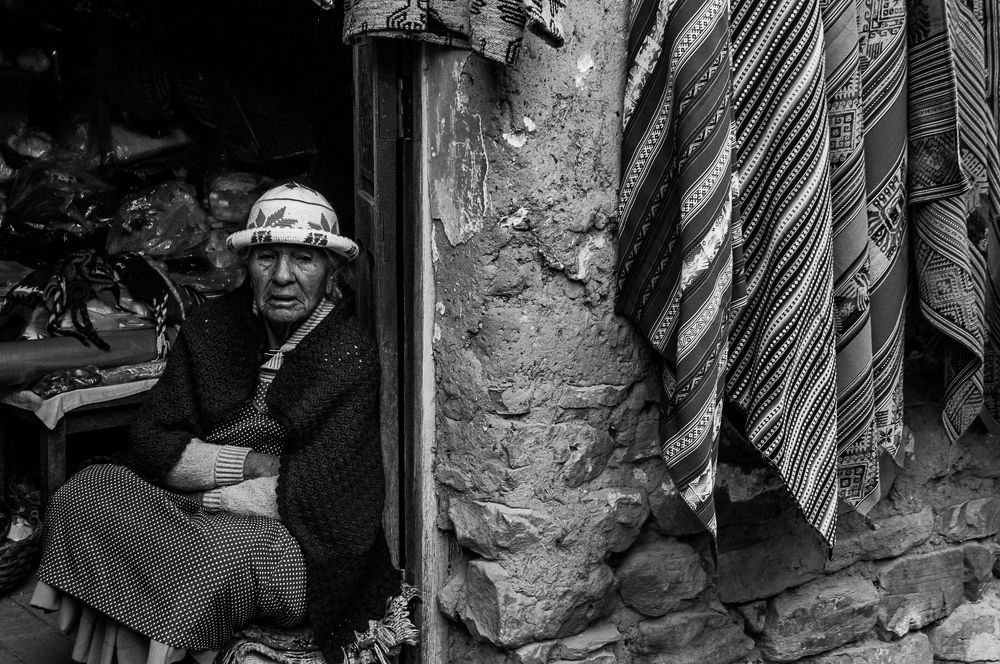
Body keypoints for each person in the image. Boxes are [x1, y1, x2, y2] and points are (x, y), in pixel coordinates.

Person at [30, 183, 414, 664]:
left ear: (331, 270)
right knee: (88, 490)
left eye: (303, 260)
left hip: (293, 540)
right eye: (266, 257)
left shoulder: (346, 354)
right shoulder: (215, 325)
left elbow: (317, 494)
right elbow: (151, 437)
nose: (282, 277)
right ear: (245, 264)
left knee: (216, 554)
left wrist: (203, 496)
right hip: (200, 504)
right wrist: (248, 464)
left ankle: (171, 633)